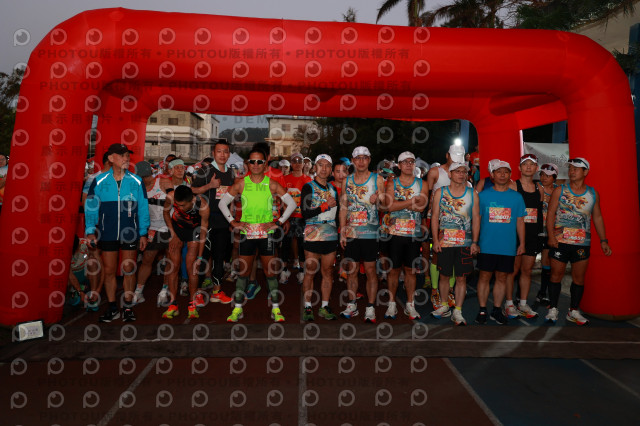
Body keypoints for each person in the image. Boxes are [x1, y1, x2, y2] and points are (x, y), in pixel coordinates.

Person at [218, 148, 297, 323]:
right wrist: (233, 222)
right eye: (252, 161)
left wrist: (278, 222)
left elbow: (291, 203)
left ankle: (275, 308)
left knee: (270, 272)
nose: (255, 165)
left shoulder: (272, 184)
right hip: (247, 234)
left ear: (265, 164)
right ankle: (238, 308)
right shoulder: (241, 183)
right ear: (247, 163)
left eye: (259, 161)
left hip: (266, 234)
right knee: (243, 271)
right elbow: (222, 203)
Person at [85, 143, 150, 323]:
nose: (126, 158)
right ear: (111, 158)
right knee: (109, 271)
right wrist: (90, 230)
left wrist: (143, 232)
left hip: (130, 232)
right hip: (107, 231)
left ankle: (128, 306)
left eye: (127, 155)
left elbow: (143, 208)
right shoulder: (99, 181)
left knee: (129, 268)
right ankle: (112, 307)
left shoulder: (136, 181)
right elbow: (91, 207)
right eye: (122, 155)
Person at [545, 157, 612, 325]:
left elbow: (597, 217)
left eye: (576, 168)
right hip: (560, 242)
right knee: (556, 275)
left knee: (579, 278)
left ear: (585, 172)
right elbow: (550, 213)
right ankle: (553, 309)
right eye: (570, 168)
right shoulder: (560, 190)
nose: (572, 171)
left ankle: (573, 311)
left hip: (581, 243)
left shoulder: (592, 193)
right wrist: (551, 237)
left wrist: (603, 240)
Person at [475, 160, 526, 325]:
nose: (502, 175)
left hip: (507, 246)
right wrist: (475, 241)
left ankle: (496, 309)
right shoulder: (482, 196)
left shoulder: (517, 197)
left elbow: (520, 222)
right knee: (484, 276)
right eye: (499, 172)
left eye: (506, 172)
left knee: (502, 277)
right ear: (492, 175)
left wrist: (522, 243)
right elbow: (477, 221)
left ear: (510, 175)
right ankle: (482, 309)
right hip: (486, 245)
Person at [339, 146, 385, 323]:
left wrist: (378, 200)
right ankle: (352, 304)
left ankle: (370, 307)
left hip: (370, 233)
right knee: (352, 270)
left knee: (371, 270)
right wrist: (342, 231)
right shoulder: (346, 181)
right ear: (353, 160)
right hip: (352, 233)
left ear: (369, 160)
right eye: (358, 158)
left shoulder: (377, 179)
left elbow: (384, 206)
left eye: (364, 158)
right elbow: (344, 207)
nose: (361, 161)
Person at [431, 162, 480, 325]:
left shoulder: (472, 193)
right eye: (457, 171)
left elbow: (476, 219)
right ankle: (444, 305)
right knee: (444, 275)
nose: (461, 174)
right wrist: (435, 240)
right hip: (445, 242)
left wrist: (475, 242)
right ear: (450, 174)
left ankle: (458, 310)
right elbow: (435, 217)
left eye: (464, 171)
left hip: (464, 243)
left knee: (461, 278)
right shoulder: (440, 192)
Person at [382, 151, 429, 320]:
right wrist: (411, 201)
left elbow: (422, 207)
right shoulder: (392, 183)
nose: (409, 164)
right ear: (399, 165)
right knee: (394, 270)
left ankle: (410, 304)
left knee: (411, 270)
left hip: (413, 234)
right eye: (405, 162)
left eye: (411, 161)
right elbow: (390, 207)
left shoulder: (422, 183)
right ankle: (392, 304)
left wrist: (399, 204)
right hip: (394, 234)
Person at [191, 140, 234, 304]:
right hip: (206, 221)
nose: (222, 155)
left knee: (219, 257)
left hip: (223, 221)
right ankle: (197, 293)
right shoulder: (205, 170)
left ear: (229, 154)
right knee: (202, 257)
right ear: (213, 153)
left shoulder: (231, 173)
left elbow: (231, 198)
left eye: (225, 151)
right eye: (219, 151)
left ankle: (217, 291)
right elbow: (191, 190)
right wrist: (209, 185)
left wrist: (231, 219)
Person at [425, 145, 466, 309]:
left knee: (456, 256)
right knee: (437, 255)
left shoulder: (463, 174)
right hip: (438, 220)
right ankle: (435, 290)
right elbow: (427, 195)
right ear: (447, 155)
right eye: (454, 157)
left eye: (459, 158)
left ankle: (449, 290)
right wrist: (427, 216)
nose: (456, 160)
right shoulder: (435, 172)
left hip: (457, 223)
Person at [300, 154, 340, 321]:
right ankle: (308, 307)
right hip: (313, 232)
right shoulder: (308, 187)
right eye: (321, 165)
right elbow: (305, 212)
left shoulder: (333, 189)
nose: (324, 169)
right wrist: (324, 206)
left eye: (327, 165)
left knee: (328, 272)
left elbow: (337, 213)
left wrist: (340, 230)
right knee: (310, 271)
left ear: (331, 169)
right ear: (315, 167)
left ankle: (324, 306)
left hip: (330, 233)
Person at [504, 154, 544, 319]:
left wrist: (540, 234)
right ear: (519, 168)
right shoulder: (513, 186)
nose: (528, 167)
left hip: (532, 235)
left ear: (536, 169)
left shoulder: (539, 188)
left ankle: (523, 303)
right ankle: (509, 303)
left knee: (527, 270)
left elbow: (539, 213)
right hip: (514, 235)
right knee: (512, 270)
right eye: (525, 164)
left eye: (532, 164)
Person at [163, 185, 210, 319]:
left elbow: (203, 233)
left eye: (183, 205)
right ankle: (173, 304)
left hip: (194, 231)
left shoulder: (202, 206)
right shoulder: (171, 196)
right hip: (176, 229)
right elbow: (166, 213)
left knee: (192, 268)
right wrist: (173, 234)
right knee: (173, 266)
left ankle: (192, 304)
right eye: (178, 205)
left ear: (191, 200)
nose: (180, 207)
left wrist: (200, 258)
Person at [132, 161, 171, 307]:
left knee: (170, 260)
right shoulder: (138, 188)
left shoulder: (163, 182)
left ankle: (164, 290)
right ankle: (138, 291)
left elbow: (175, 199)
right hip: (152, 229)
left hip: (168, 227)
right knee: (147, 260)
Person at [280, 153, 312, 284]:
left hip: (302, 218)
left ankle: (302, 272)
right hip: (288, 217)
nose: (297, 163)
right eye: (294, 161)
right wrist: (284, 217)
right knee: (285, 244)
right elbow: (281, 199)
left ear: (303, 164)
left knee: (302, 245)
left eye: (300, 161)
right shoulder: (284, 178)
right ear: (291, 163)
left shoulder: (308, 180)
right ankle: (284, 271)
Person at [532, 162, 559, 309]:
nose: (544, 178)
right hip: (534, 230)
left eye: (548, 176)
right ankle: (518, 297)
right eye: (542, 174)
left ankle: (542, 292)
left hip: (550, 231)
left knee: (547, 261)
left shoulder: (558, 191)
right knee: (527, 263)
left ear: (554, 177)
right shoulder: (535, 188)